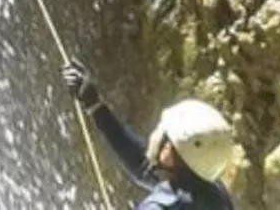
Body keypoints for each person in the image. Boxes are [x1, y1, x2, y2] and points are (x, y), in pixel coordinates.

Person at [63, 61, 237, 209]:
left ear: (169, 151)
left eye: (163, 133)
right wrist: (96, 106)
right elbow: (142, 165)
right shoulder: (213, 192)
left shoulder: (159, 206)